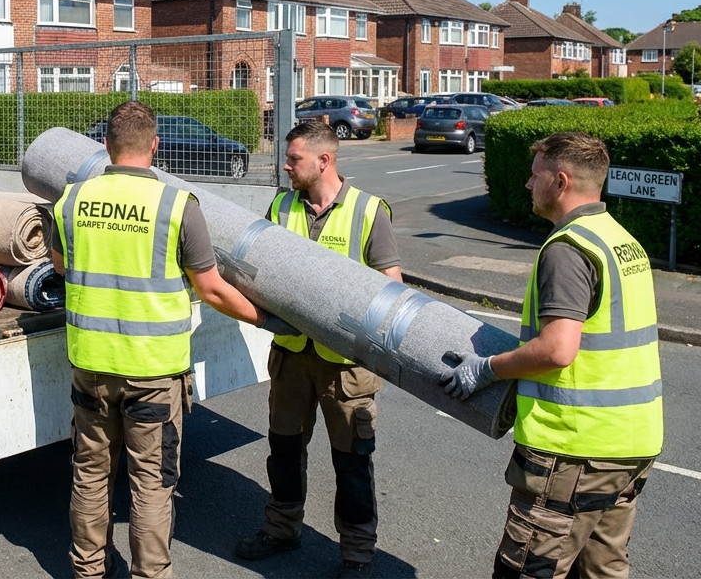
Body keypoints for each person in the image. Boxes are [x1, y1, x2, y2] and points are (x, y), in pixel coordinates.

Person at [49, 100, 266, 579]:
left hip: (91, 364)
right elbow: (210, 288)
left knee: (90, 474)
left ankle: (87, 570)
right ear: (155, 146)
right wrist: (263, 317)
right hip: (153, 372)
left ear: (105, 146)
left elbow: (64, 267)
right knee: (151, 483)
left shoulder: (69, 202)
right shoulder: (176, 206)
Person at [442, 132, 663, 579]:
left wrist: (485, 369)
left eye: (535, 174)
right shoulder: (620, 240)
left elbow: (558, 349)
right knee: (601, 569)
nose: (527, 184)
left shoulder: (568, 249)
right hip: (631, 442)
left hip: (575, 449)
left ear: (560, 182)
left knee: (528, 570)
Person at [234, 120, 402, 579]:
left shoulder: (368, 212)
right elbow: (260, 270)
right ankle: (282, 528)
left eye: (294, 160)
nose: (285, 167)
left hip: (344, 367)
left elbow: (393, 289)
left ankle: (357, 554)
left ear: (323, 161)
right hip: (291, 356)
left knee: (351, 462)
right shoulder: (283, 205)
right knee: (284, 450)